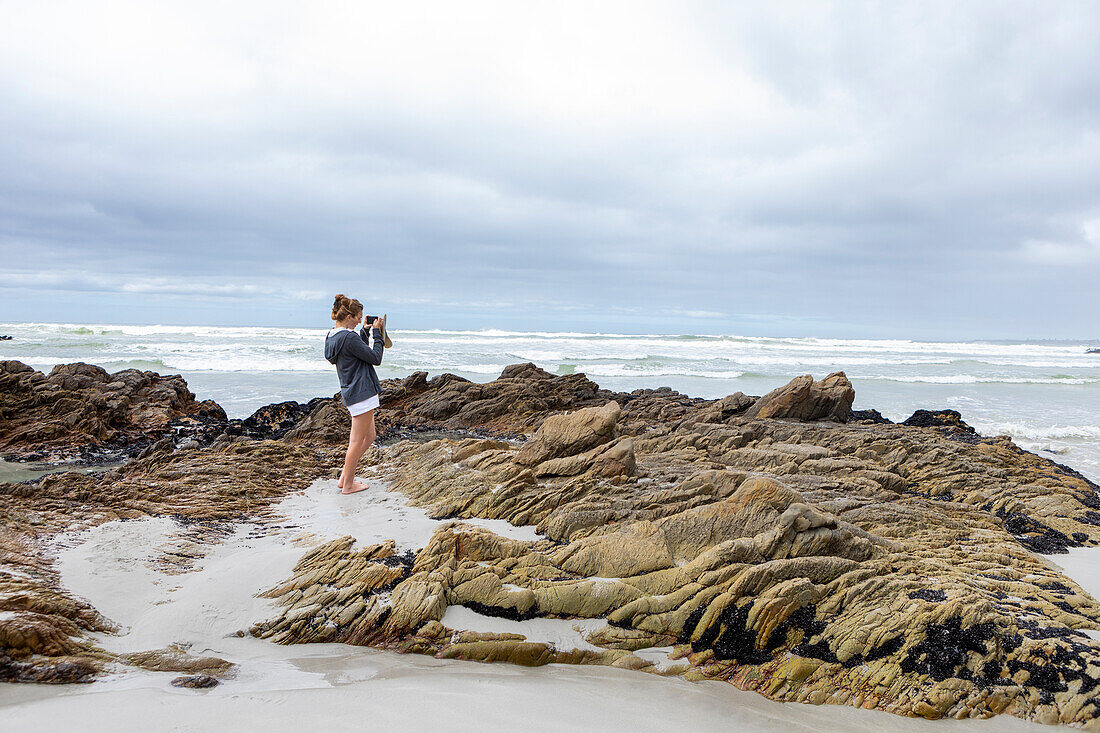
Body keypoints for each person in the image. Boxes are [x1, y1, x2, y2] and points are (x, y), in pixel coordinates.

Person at [324, 294, 385, 494]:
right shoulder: (348, 338)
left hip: (351, 389)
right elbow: (375, 358)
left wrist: (365, 333)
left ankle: (345, 477)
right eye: (359, 316)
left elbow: (354, 353)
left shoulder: (333, 336)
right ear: (349, 316)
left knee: (370, 436)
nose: (361, 319)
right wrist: (377, 334)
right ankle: (348, 485)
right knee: (357, 441)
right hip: (361, 392)